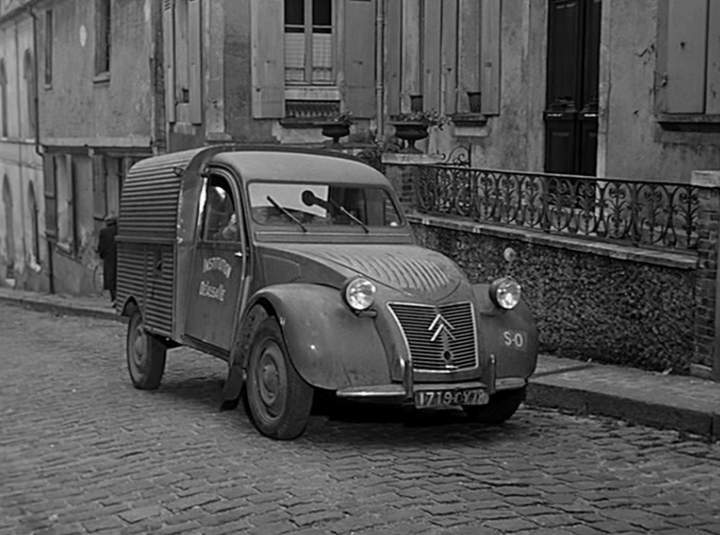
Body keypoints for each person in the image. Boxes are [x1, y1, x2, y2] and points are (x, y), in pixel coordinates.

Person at [97, 215, 118, 304]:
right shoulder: (119, 231)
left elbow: (101, 247)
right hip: (119, 257)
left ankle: (113, 298)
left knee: (110, 279)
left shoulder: (104, 232)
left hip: (109, 258)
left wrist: (101, 255)